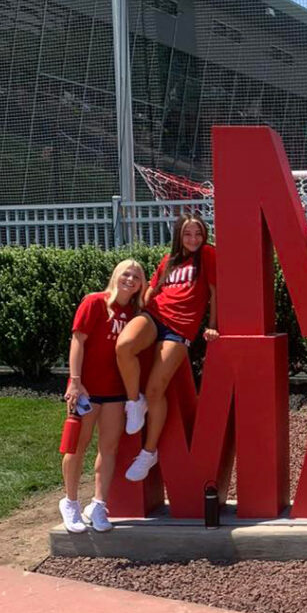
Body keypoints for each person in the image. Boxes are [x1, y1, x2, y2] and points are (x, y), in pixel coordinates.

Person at [115, 213, 219, 482]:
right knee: (124, 345)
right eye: (187, 234)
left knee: (155, 389)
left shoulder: (207, 254)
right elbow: (153, 290)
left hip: (180, 328)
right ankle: (133, 402)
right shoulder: (168, 260)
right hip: (154, 315)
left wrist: (211, 324)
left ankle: (149, 453)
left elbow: (214, 291)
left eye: (198, 233)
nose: (193, 239)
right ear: (178, 236)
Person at [59, 259, 147, 533]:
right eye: (126, 274)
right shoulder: (95, 302)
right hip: (86, 391)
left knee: (108, 449)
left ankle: (99, 504)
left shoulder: (135, 314)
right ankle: (70, 502)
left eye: (136, 276)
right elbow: (78, 340)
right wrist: (75, 382)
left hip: (115, 393)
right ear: (116, 276)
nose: (130, 279)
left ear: (141, 284)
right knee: (76, 446)